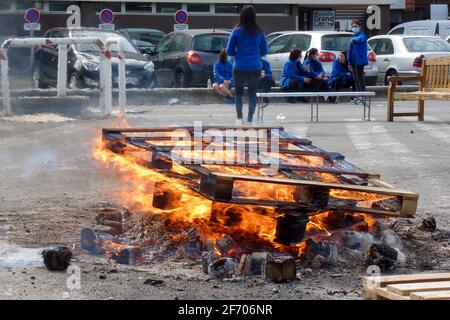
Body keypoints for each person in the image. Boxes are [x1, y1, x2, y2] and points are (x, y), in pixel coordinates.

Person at [226, 5, 268, 125]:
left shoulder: (236, 31)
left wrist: (239, 53)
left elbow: (229, 51)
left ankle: (239, 118)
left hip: (239, 66)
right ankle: (250, 119)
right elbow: (265, 50)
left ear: (242, 16)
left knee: (238, 93)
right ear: (254, 16)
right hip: (255, 66)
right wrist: (256, 53)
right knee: (252, 93)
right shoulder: (259, 31)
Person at [347, 20, 368, 104]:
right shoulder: (353, 36)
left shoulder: (362, 35)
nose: (354, 28)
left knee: (360, 79)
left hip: (360, 61)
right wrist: (348, 61)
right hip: (353, 61)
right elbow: (349, 50)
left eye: (356, 26)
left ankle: (362, 96)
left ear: (360, 27)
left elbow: (360, 39)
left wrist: (353, 39)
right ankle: (357, 96)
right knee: (356, 79)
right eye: (353, 26)